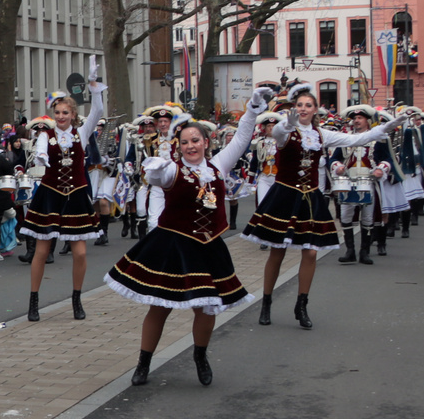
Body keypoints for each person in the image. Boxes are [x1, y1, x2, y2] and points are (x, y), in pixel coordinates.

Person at [107, 86, 273, 387]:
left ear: (206, 142)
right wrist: (157, 166)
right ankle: (143, 363)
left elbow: (241, 138)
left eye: (195, 140)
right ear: (178, 145)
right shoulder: (172, 170)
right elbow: (158, 177)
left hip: (208, 246)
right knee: (160, 306)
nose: (190, 146)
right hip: (173, 246)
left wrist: (251, 110)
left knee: (206, 306)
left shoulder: (218, 166)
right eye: (184, 142)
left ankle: (200, 355)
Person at [242, 84, 404, 327]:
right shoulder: (285, 130)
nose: (304, 109)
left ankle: (302, 305)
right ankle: (266, 301)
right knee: (278, 251)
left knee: (311, 252)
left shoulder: (320, 134)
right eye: (300, 105)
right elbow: (277, 134)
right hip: (285, 196)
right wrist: (288, 123)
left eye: (308, 105)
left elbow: (355, 138)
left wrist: (384, 128)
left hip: (311, 197)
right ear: (294, 108)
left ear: (316, 109)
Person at [20, 62, 108, 322]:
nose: (60, 117)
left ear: (73, 114)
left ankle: (76, 298)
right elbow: (42, 151)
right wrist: (42, 159)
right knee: (42, 250)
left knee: (80, 252)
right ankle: (34, 300)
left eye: (65, 112)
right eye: (57, 112)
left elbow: (99, 109)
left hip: (77, 195)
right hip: (50, 194)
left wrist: (93, 87)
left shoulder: (82, 132)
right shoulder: (46, 134)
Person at [331, 106, 389, 266]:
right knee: (345, 215)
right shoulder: (345, 138)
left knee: (368, 217)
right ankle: (350, 251)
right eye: (354, 119)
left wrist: (381, 169)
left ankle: (365, 252)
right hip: (348, 181)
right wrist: (338, 167)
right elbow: (334, 158)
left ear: (367, 121)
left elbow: (387, 159)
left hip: (369, 181)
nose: (356, 121)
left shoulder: (378, 139)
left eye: (360, 118)